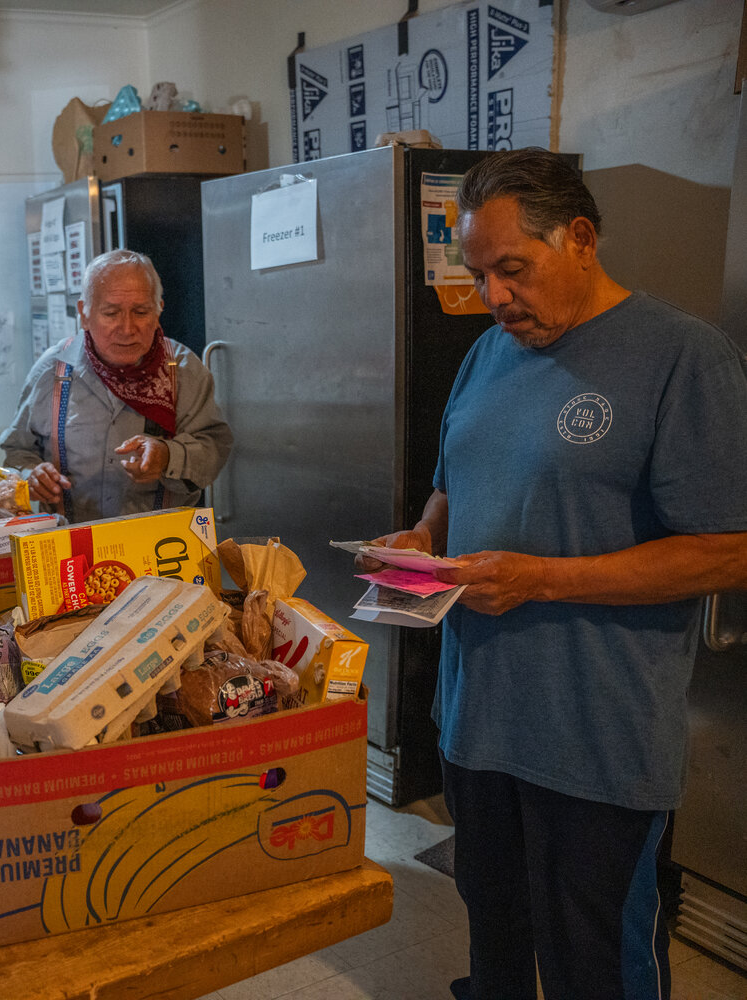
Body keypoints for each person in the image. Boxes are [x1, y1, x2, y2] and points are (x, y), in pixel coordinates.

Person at [364, 147, 747, 999]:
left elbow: (728, 548)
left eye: (513, 269)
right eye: (479, 274)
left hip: (596, 737)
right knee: (496, 944)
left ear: (580, 238)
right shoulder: (488, 354)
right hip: (478, 719)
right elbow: (451, 486)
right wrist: (425, 538)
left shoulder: (683, 357)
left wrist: (541, 579)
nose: (495, 297)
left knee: (595, 966)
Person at [0, 249, 232, 524]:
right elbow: (17, 452)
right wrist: (30, 476)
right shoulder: (53, 370)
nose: (127, 327)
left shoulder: (183, 370)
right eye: (111, 313)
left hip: (162, 548)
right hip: (71, 548)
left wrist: (169, 457)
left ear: (158, 311)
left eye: (141, 311)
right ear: (84, 314)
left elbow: (214, 448)